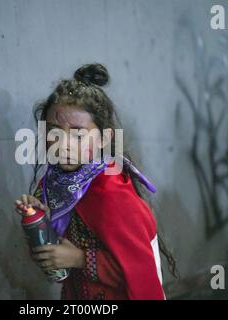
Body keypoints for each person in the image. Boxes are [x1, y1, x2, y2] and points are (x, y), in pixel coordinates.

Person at [15, 63, 177, 300]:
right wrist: (39, 224)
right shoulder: (55, 185)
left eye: (79, 134)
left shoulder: (112, 193)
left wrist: (79, 259)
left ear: (104, 139)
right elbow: (53, 264)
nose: (64, 144)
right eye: (54, 132)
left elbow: (141, 273)